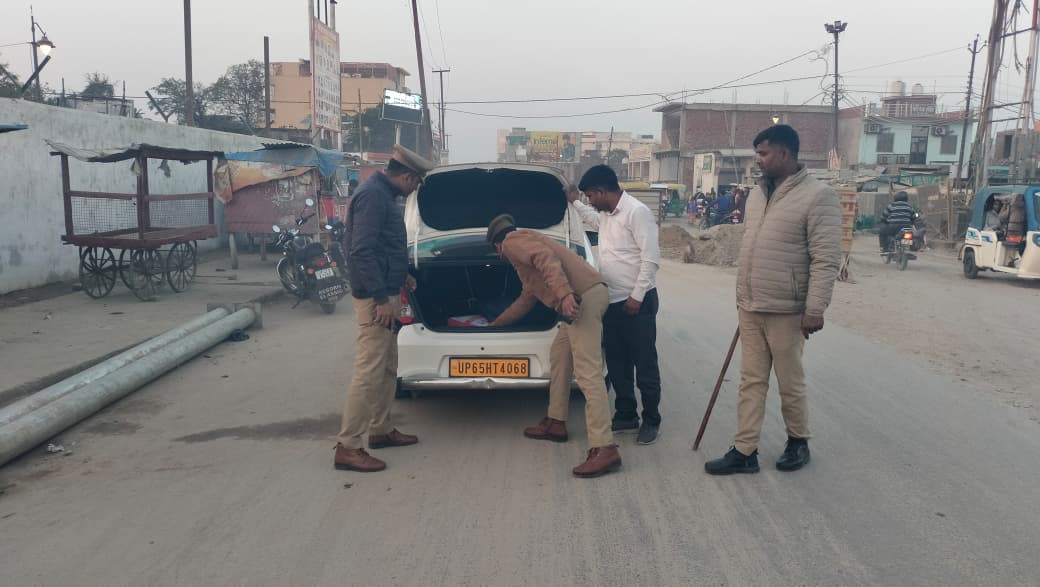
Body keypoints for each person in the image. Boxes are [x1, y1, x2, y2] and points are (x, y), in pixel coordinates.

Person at [704, 124, 841, 476]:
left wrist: (815, 309)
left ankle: (798, 441)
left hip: (787, 309)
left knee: (789, 381)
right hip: (751, 306)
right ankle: (744, 450)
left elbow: (826, 259)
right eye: (757, 154)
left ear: (784, 153)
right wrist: (744, 297)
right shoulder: (756, 194)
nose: (758, 160)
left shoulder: (818, 196)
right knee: (751, 381)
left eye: (763, 154)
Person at [486, 213, 622, 477]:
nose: (502, 257)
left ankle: (604, 447)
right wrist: (496, 324)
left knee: (588, 373)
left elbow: (545, 258)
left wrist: (564, 294)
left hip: (582, 299)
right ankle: (556, 422)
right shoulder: (526, 261)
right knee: (559, 355)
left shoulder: (513, 241)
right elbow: (526, 299)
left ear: (497, 246)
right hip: (584, 296)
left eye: (498, 253)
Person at [334, 145, 435, 473]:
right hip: (375, 299)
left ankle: (380, 429)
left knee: (388, 367)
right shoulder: (373, 197)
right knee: (369, 371)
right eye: (416, 182)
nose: (415, 189)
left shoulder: (383, 195)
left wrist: (401, 275)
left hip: (387, 292)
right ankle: (348, 446)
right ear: (407, 176)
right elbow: (361, 251)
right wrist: (380, 299)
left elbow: (383, 248)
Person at [568, 165, 663, 444]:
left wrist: (637, 296)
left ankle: (651, 419)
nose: (589, 201)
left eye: (589, 196)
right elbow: (593, 220)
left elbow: (651, 259)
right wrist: (574, 202)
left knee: (644, 364)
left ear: (601, 191)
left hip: (638, 303)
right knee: (618, 364)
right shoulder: (607, 215)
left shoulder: (637, 212)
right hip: (611, 302)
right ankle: (626, 414)